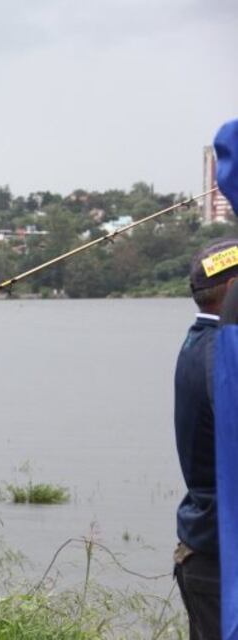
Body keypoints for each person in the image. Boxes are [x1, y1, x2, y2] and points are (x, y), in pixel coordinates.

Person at [172, 239, 235, 639]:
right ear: (232, 291)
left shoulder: (203, 340)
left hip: (207, 555)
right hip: (218, 562)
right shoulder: (220, 355)